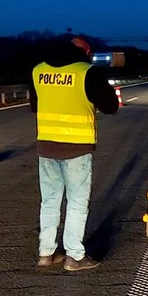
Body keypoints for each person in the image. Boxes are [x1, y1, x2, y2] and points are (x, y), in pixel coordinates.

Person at [30, 36, 119, 271]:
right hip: (77, 147)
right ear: (87, 51)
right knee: (77, 202)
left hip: (46, 146)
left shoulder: (39, 70)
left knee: (49, 201)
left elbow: (34, 105)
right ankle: (75, 256)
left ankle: (46, 253)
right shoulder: (86, 72)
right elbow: (111, 106)